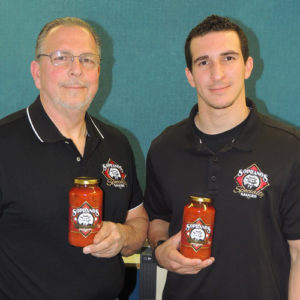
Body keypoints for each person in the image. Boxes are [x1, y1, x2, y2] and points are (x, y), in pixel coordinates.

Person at [144, 14, 300, 300]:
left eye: (228, 58)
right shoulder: (163, 148)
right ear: (190, 75)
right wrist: (162, 247)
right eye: (203, 62)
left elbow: (298, 252)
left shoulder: (289, 147)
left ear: (248, 66)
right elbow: (158, 218)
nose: (217, 74)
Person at [0, 17, 148, 299]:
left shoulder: (116, 143)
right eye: (61, 58)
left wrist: (123, 236)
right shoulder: (4, 144)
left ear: (99, 71)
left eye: (87, 60)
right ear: (37, 72)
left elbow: (138, 220)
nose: (76, 70)